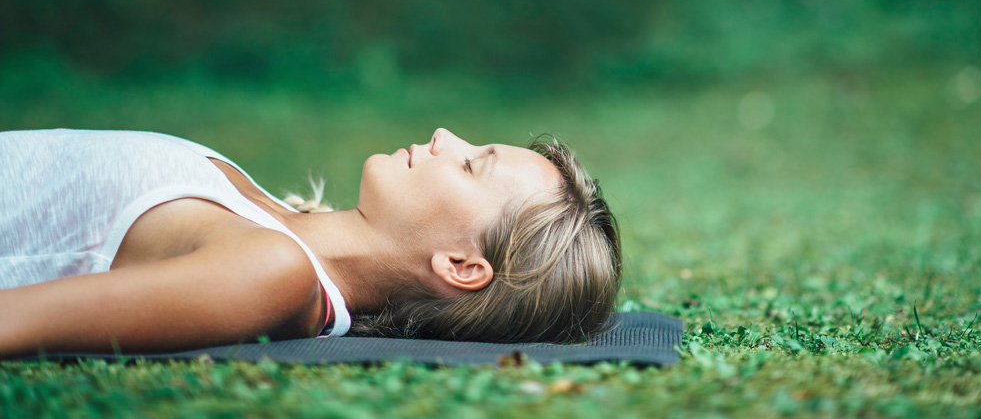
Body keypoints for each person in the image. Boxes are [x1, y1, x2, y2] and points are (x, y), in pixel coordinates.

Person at [0, 127, 621, 357]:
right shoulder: (275, 222)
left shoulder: (273, 271)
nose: (443, 135)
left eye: (469, 166)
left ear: (461, 266)